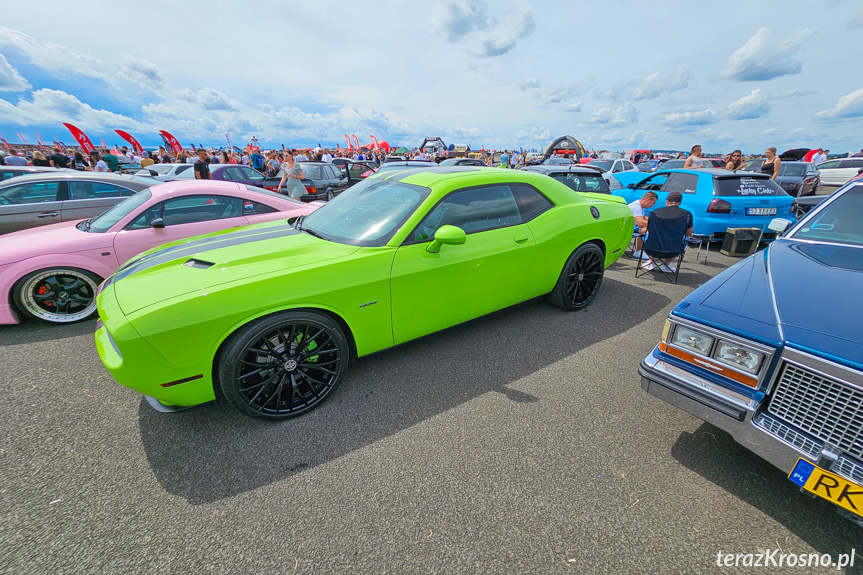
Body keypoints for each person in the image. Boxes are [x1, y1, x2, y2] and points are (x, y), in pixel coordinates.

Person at [642, 191, 693, 273]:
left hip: (651, 248)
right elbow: (689, 232)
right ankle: (666, 263)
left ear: (667, 201)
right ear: (679, 202)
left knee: (649, 234)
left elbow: (649, 228)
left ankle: (651, 261)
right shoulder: (686, 214)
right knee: (686, 237)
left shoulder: (656, 212)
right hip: (673, 250)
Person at [628, 191, 658, 257]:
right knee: (648, 229)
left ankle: (641, 250)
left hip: (631, 227)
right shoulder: (637, 207)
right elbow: (641, 223)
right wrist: (656, 225)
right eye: (653, 203)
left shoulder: (640, 205)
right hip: (628, 229)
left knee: (649, 227)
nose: (652, 205)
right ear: (648, 200)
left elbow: (644, 217)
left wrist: (656, 221)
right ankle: (639, 251)